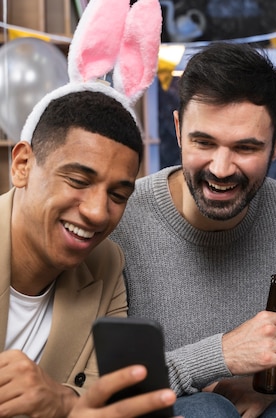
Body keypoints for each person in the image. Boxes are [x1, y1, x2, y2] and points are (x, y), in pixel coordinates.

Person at [109, 41, 276, 418]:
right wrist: (222, 355)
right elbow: (109, 382)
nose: (222, 168)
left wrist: (274, 385)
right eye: (204, 142)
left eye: (245, 148)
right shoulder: (123, 218)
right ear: (179, 130)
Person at [0, 90, 177, 417]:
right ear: (23, 164)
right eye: (79, 180)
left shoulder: (106, 265)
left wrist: (61, 401)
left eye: (118, 195)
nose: (98, 213)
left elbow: (104, 396)